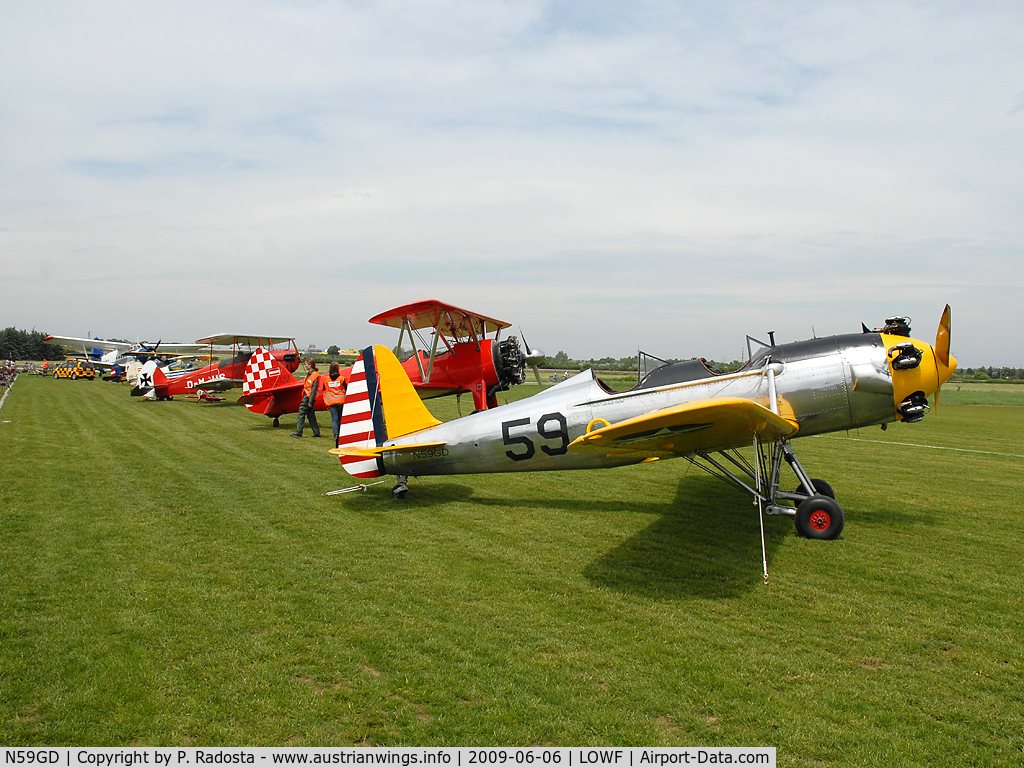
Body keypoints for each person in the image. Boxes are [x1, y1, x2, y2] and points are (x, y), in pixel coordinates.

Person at [290, 358, 321, 438]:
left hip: (308, 397)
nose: (305, 365)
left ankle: (299, 432)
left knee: (301, 413)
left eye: (306, 364)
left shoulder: (314, 375)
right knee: (311, 415)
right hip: (307, 396)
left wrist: (310, 401)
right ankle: (316, 433)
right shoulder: (310, 374)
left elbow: (314, 389)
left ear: (310, 365)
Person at [322, 362, 347, 445]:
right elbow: (346, 389)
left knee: (334, 419)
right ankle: (341, 434)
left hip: (331, 401)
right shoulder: (342, 378)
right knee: (340, 418)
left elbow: (324, 391)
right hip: (341, 401)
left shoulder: (326, 379)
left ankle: (336, 435)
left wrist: (326, 402)